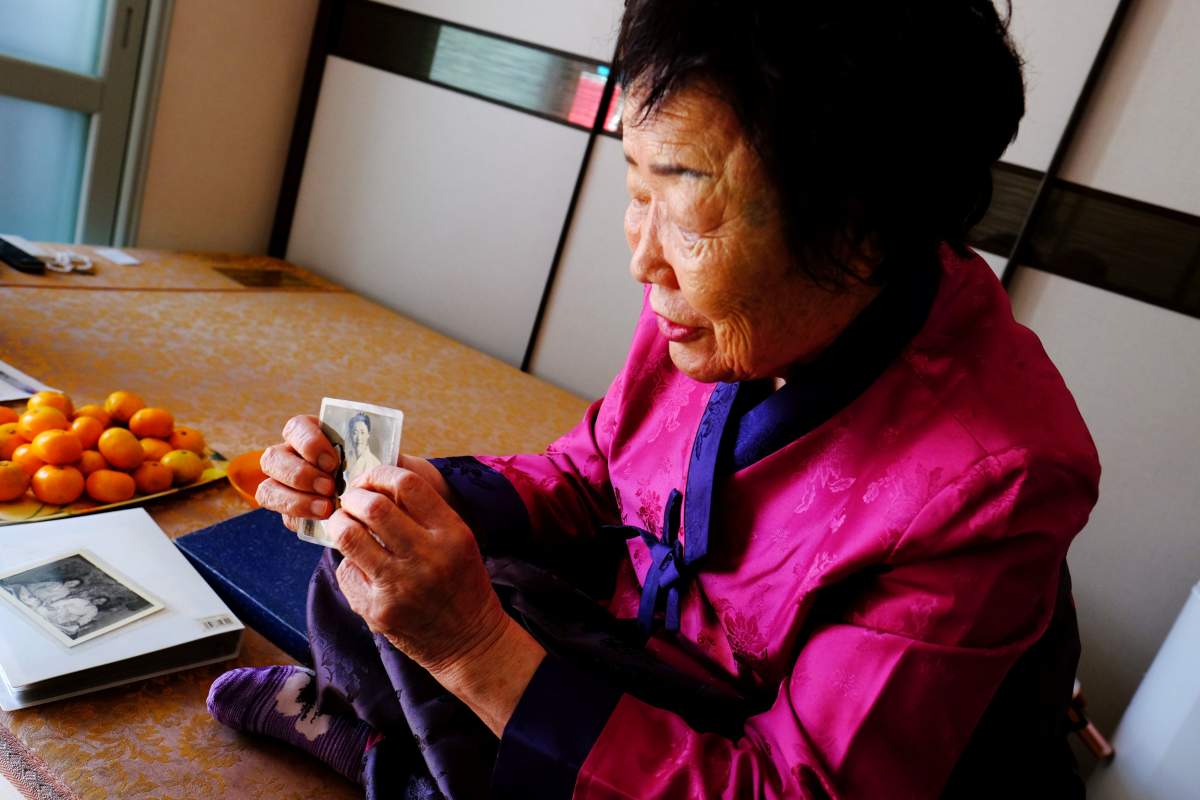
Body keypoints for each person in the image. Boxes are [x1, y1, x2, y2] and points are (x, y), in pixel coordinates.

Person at [210, 1, 1100, 797]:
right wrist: (421, 499)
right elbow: (595, 472)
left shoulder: (999, 482)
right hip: (655, 653)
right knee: (385, 571)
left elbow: (799, 788)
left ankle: (389, 762)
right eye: (636, 191)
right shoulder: (722, 311)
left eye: (684, 207)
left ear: (858, 231)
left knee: (477, 628)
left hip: (782, 751)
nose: (643, 258)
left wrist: (473, 647)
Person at [343, 413, 381, 486]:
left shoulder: (376, 465)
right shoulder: (343, 457)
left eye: (362, 432)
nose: (359, 438)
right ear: (350, 434)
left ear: (368, 434)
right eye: (355, 433)